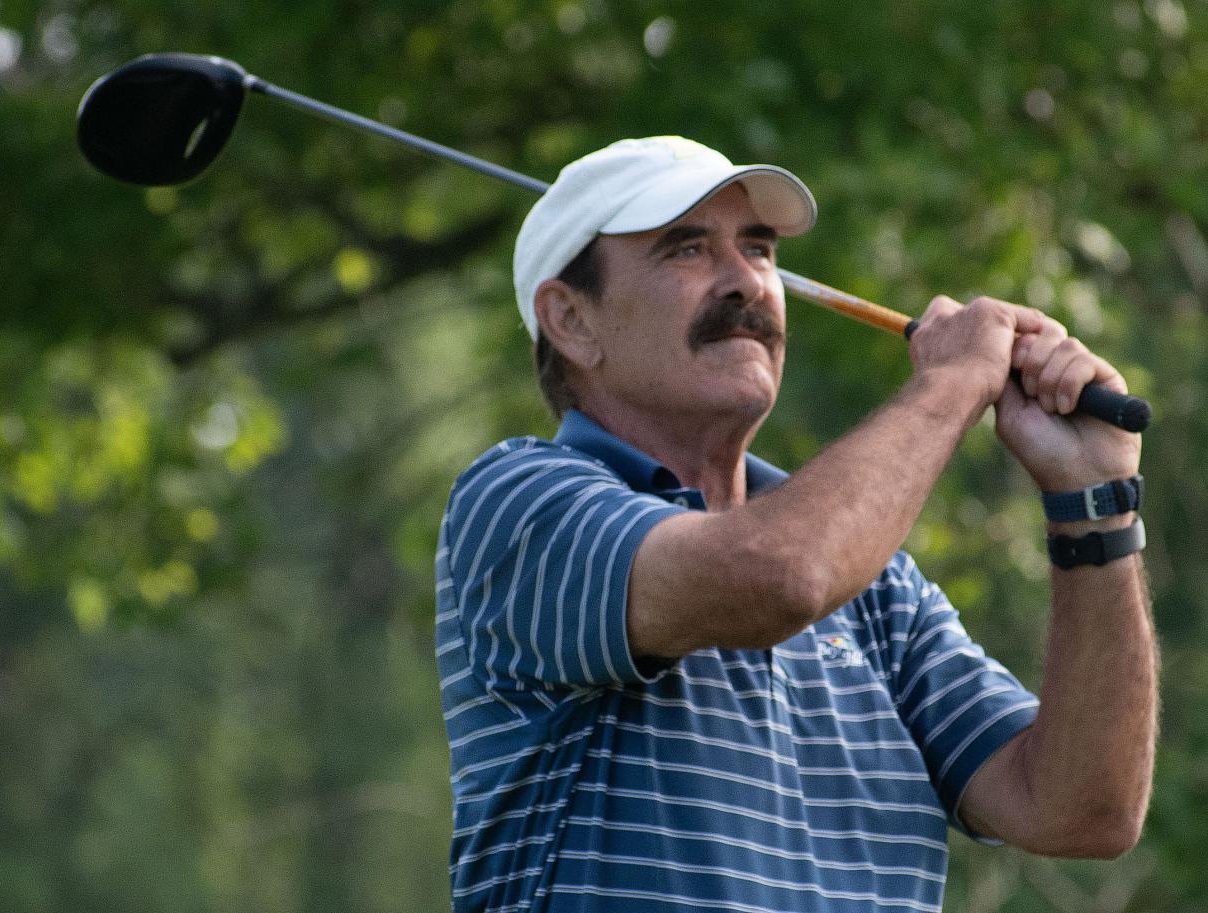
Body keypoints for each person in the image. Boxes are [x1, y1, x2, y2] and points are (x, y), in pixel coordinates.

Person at [434, 136, 1157, 913]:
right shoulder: (515, 501)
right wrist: (952, 384)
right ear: (571, 319)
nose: (746, 280)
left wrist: (1094, 501)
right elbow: (782, 578)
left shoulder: (881, 589)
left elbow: (1085, 809)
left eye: (759, 248)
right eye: (686, 248)